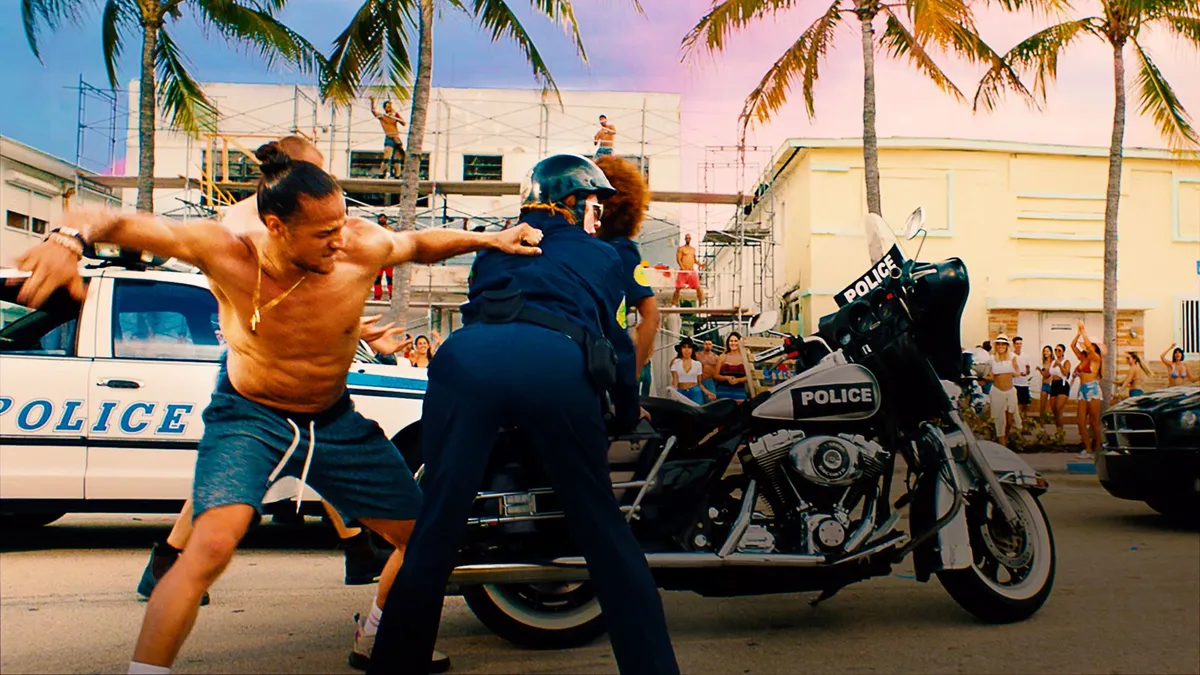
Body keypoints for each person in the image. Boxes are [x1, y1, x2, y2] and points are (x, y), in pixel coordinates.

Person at [12, 141, 543, 675]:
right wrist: (66, 239)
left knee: (424, 538)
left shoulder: (359, 245)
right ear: (276, 226)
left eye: (342, 225)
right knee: (211, 545)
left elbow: (419, 243)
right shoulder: (227, 249)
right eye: (323, 233)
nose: (340, 241)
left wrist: (491, 238)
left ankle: (377, 634)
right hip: (251, 417)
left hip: (334, 421)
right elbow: (113, 220)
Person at [367, 153, 679, 675]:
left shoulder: (494, 248)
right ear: (573, 202)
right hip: (553, 363)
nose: (598, 216)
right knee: (604, 535)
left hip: (463, 362)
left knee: (436, 531)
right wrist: (626, 414)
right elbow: (616, 348)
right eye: (594, 205)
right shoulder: (603, 255)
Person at [135, 137, 397, 607]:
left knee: (317, 445)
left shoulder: (288, 221)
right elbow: (270, 295)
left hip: (273, 356)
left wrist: (349, 327)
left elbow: (303, 299)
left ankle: (357, 546)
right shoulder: (250, 221)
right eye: (318, 172)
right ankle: (168, 560)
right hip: (253, 362)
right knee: (233, 476)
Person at [594, 154, 660, 374]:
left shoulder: (620, 250)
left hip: (599, 363)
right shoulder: (621, 249)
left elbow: (651, 315)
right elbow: (651, 316)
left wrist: (632, 373)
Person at [1071, 321, 1103, 458]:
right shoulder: (1083, 357)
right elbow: (1072, 346)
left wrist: (1083, 332)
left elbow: (1089, 347)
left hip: (1092, 389)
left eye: (1090, 345)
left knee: (1094, 421)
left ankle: (1098, 448)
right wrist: (1078, 334)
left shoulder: (1096, 358)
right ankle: (1088, 448)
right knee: (1080, 421)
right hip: (1082, 389)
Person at [984, 335, 1021, 439]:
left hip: (1010, 391)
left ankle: (1006, 439)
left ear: (1007, 346)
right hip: (997, 391)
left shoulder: (1012, 357)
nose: (1001, 346)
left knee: (1009, 422)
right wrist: (982, 378)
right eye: (998, 344)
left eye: (1003, 344)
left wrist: (1017, 372)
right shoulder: (992, 359)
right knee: (1000, 422)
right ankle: (1002, 442)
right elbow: (991, 376)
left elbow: (1017, 371)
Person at [370, 97, 407, 178]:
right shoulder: (382, 116)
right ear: (385, 108)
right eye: (388, 107)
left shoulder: (394, 116)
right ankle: (382, 172)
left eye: (390, 107)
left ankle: (397, 174)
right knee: (387, 155)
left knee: (397, 157)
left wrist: (396, 114)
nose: (389, 108)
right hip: (389, 137)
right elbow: (374, 112)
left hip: (396, 138)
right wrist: (372, 102)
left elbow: (404, 123)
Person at [670, 338, 713, 404]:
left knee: (696, 410)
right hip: (681, 392)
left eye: (689, 347)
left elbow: (699, 383)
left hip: (695, 392)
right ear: (681, 349)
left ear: (692, 350)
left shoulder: (698, 364)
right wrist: (673, 393)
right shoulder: (675, 362)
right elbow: (675, 381)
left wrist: (708, 393)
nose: (687, 350)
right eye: (684, 347)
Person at [671, 232, 704, 307]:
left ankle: (701, 304)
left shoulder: (693, 249)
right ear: (685, 239)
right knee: (678, 288)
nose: (688, 239)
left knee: (698, 287)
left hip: (691, 270)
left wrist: (700, 264)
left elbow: (694, 260)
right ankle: (674, 303)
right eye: (687, 238)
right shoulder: (681, 248)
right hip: (683, 271)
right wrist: (683, 268)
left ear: (690, 239)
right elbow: (678, 259)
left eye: (689, 238)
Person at [714, 331, 748, 400]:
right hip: (723, 391)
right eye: (731, 341)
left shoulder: (745, 357)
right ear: (728, 342)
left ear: (740, 342)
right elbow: (715, 375)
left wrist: (738, 380)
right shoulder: (722, 356)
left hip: (740, 391)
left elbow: (749, 377)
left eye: (736, 341)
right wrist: (726, 378)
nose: (733, 343)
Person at [1048, 344, 1072, 434]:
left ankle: (1060, 431)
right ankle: (1058, 429)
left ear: (1063, 352)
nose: (1057, 352)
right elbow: (1048, 373)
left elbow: (1066, 373)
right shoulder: (1053, 361)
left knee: (1058, 408)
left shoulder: (1066, 361)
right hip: (1054, 384)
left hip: (1062, 384)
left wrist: (1060, 365)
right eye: (1056, 350)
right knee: (1054, 410)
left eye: (1059, 350)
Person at [373, 214, 396, 300]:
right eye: (380, 218)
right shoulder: (374, 230)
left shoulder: (390, 230)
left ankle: (391, 295)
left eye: (383, 218)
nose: (382, 220)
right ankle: (377, 295)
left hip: (388, 258)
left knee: (389, 278)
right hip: (378, 258)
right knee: (377, 278)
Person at [1012, 336, 1032, 419]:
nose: (1019, 345)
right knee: (1015, 404)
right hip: (1014, 383)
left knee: (1025, 405)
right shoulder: (1011, 356)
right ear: (1014, 345)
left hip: (1024, 383)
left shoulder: (1025, 356)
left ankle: (1024, 422)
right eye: (1017, 344)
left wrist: (1027, 371)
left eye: (1020, 344)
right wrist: (1017, 373)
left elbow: (1028, 371)